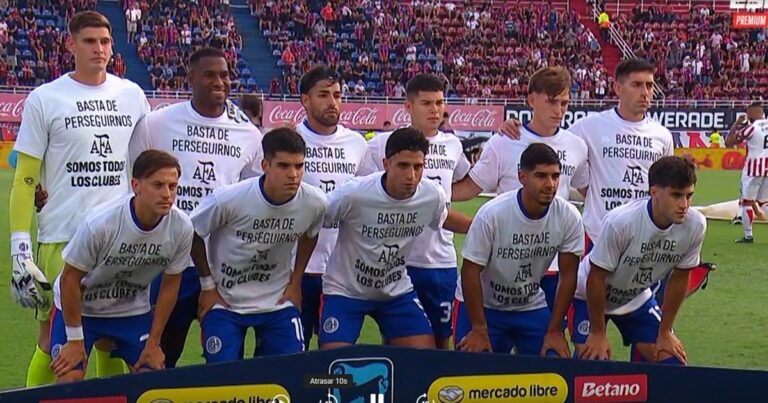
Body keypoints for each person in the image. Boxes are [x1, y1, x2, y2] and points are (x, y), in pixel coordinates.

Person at [9, 11, 150, 386]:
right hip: (62, 238)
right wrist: (19, 248)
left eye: (105, 42)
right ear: (70, 45)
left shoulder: (131, 95)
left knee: (110, 341)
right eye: (89, 41)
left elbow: (145, 165)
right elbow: (25, 179)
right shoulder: (46, 98)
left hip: (119, 241)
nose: (99, 49)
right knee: (49, 340)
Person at [128, 46, 263, 368]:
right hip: (166, 260)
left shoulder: (248, 135)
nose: (220, 81)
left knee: (225, 362)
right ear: (190, 78)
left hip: (224, 264)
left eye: (225, 74)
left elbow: (253, 200)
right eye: (210, 74)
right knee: (158, 357)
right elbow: (131, 188)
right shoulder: (155, 124)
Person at [49, 150, 193, 382]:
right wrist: (75, 340)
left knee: (153, 381)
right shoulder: (101, 223)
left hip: (131, 312)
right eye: (158, 185)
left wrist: (154, 342)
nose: (167, 194)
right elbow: (69, 279)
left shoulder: (182, 227)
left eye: (173, 186)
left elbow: (171, 284)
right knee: (69, 381)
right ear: (136, 185)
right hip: (82, 310)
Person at [452, 66, 588, 313]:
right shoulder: (504, 141)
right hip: (504, 262)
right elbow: (470, 188)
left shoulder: (576, 145)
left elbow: (587, 190)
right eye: (552, 101)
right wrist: (426, 195)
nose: (559, 110)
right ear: (531, 100)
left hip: (552, 262)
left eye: (565, 103)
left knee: (544, 341)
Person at [319, 128, 467, 350]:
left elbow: (444, 218)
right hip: (345, 291)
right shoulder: (354, 194)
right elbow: (313, 219)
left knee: (424, 358)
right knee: (333, 366)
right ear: (386, 163)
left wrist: (486, 228)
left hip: (395, 291)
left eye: (418, 167)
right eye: (403, 166)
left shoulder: (431, 195)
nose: (411, 175)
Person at [189, 128, 326, 362]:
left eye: (299, 166)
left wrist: (296, 281)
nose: (293, 174)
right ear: (264, 165)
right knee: (222, 383)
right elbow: (192, 232)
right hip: (226, 302)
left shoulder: (314, 202)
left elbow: (310, 234)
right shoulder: (228, 198)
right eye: (283, 166)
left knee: (288, 375)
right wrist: (207, 285)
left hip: (278, 301)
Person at [359, 74, 472, 349]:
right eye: (426, 103)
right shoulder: (380, 144)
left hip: (440, 262)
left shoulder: (453, 145)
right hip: (397, 260)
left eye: (439, 102)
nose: (435, 110)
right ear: (408, 107)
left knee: (440, 341)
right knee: (397, 341)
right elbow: (365, 186)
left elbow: (460, 185)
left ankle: (437, 393)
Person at [574, 156, 706, 364]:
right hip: (587, 297)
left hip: (635, 298)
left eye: (689, 196)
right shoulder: (621, 222)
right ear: (654, 192)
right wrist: (598, 333)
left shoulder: (695, 224)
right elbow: (596, 277)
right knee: (593, 360)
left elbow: (681, 277)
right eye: (676, 195)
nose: (684, 205)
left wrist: (665, 331)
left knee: (671, 360)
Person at [455, 143, 583, 356]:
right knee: (473, 371)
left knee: (554, 365)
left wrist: (555, 330)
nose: (550, 184)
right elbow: (470, 271)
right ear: (522, 177)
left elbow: (569, 275)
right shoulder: (492, 214)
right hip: (483, 307)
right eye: (541, 176)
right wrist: (479, 328)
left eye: (555, 176)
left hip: (529, 304)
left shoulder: (569, 216)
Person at [294, 66, 368, 350]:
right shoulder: (289, 140)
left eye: (337, 95)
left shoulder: (357, 144)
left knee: (333, 356)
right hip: (294, 269)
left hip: (340, 272)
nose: (333, 102)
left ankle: (322, 393)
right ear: (305, 100)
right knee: (291, 353)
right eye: (323, 94)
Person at [725, 102, 766, 235]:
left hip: (753, 169)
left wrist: (737, 123)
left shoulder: (752, 128)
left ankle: (748, 235)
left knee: (747, 201)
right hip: (767, 168)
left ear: (752, 113)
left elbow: (729, 142)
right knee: (764, 203)